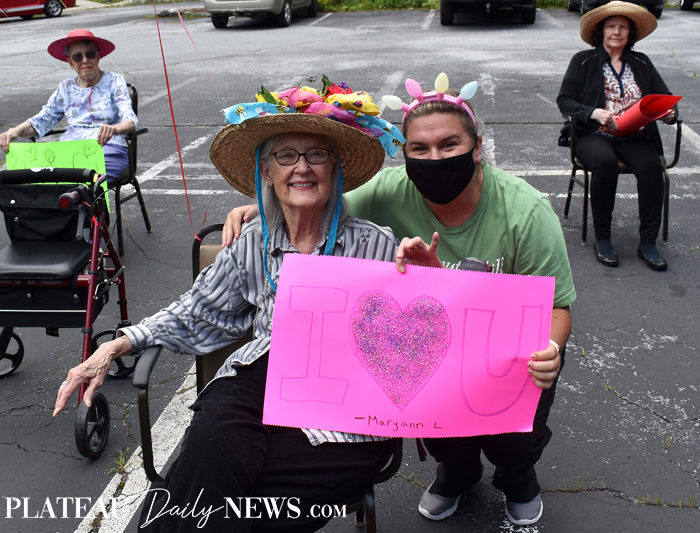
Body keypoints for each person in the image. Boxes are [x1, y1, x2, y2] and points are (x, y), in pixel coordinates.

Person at [53, 79, 431, 532]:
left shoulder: (376, 245)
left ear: (335, 168)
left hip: (344, 402)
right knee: (214, 438)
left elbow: (416, 344)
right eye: (286, 156)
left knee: (206, 495)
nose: (302, 167)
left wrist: (428, 280)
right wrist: (117, 345)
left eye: (317, 154)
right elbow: (197, 309)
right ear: (267, 172)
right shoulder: (253, 242)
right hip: (259, 375)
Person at [223, 72, 576, 526]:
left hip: (508, 351)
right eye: (419, 149)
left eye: (449, 145)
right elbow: (318, 199)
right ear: (404, 153)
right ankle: (457, 472)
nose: (435, 158)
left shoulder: (525, 211)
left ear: (477, 147)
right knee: (438, 413)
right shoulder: (388, 192)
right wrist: (267, 205)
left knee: (516, 436)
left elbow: (558, 303)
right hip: (432, 341)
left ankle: (519, 477)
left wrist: (550, 348)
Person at [557, 2, 676, 271]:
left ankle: (648, 243)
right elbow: (564, 100)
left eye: (623, 27)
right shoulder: (583, 60)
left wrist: (668, 114)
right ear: (601, 31)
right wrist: (593, 112)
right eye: (611, 26)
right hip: (592, 133)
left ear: (630, 33)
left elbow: (664, 98)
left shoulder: (642, 62)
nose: (617, 32)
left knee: (651, 166)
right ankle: (603, 239)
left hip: (633, 133)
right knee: (605, 163)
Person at [0, 29, 136, 183]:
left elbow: (130, 120)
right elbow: (43, 119)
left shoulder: (114, 81)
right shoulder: (66, 88)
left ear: (98, 56)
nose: (85, 60)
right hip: (69, 151)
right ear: (71, 63)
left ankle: (78, 197)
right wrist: (16, 130)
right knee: (30, 180)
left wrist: (116, 128)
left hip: (107, 148)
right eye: (77, 57)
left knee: (83, 182)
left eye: (90, 54)